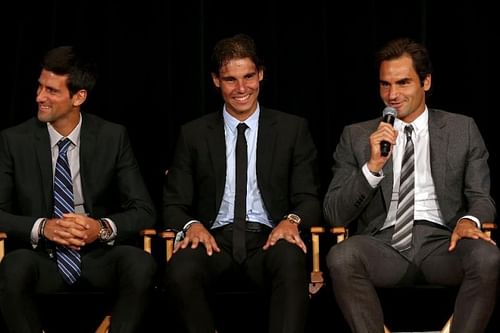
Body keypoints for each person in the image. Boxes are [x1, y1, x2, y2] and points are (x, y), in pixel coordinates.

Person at [324, 37, 500, 333]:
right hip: (383, 243)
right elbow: (334, 214)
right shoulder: (356, 136)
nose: (392, 95)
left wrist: (469, 222)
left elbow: (481, 196)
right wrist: (372, 167)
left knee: (487, 256)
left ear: (426, 82)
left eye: (403, 83)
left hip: (443, 242)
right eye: (385, 84)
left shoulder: (462, 129)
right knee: (341, 256)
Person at [163, 33, 321, 333]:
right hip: (214, 240)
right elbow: (173, 204)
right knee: (180, 268)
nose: (241, 88)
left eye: (248, 76)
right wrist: (192, 225)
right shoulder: (194, 134)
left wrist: (291, 221)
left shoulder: (292, 129)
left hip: (268, 239)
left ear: (261, 74)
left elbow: (309, 198)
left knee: (291, 259)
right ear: (215, 81)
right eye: (230, 79)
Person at [0, 46, 157, 333]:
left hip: (97, 256)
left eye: (51, 91)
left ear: (78, 97)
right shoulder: (14, 140)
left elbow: (144, 211)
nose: (39, 97)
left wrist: (101, 228)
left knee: (140, 264)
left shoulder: (112, 136)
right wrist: (42, 227)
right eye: (39, 86)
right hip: (41, 257)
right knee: (12, 267)